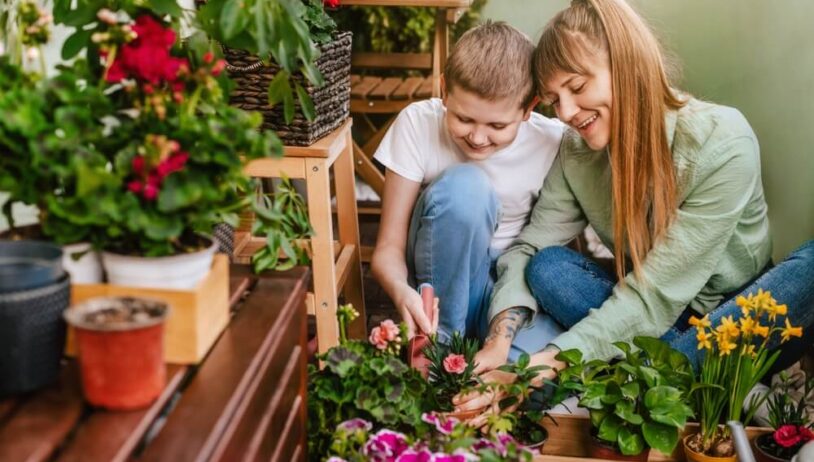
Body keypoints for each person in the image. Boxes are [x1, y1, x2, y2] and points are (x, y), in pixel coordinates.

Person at [455, 0, 814, 418]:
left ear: (626, 62)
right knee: (548, 267)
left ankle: (659, 380)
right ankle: (705, 390)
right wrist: (501, 337)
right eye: (554, 99)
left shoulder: (721, 141)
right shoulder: (577, 151)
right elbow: (530, 248)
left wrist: (545, 363)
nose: (566, 113)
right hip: (654, 320)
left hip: (731, 319)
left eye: (577, 86)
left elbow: (653, 296)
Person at [370, 21, 565, 360]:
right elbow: (388, 247)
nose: (477, 137)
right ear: (444, 89)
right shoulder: (417, 124)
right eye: (463, 118)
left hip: (508, 287)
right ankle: (438, 349)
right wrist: (401, 292)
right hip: (439, 278)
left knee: (530, 377)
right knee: (468, 188)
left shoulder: (553, 142)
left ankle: (475, 354)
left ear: (529, 108)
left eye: (497, 125)